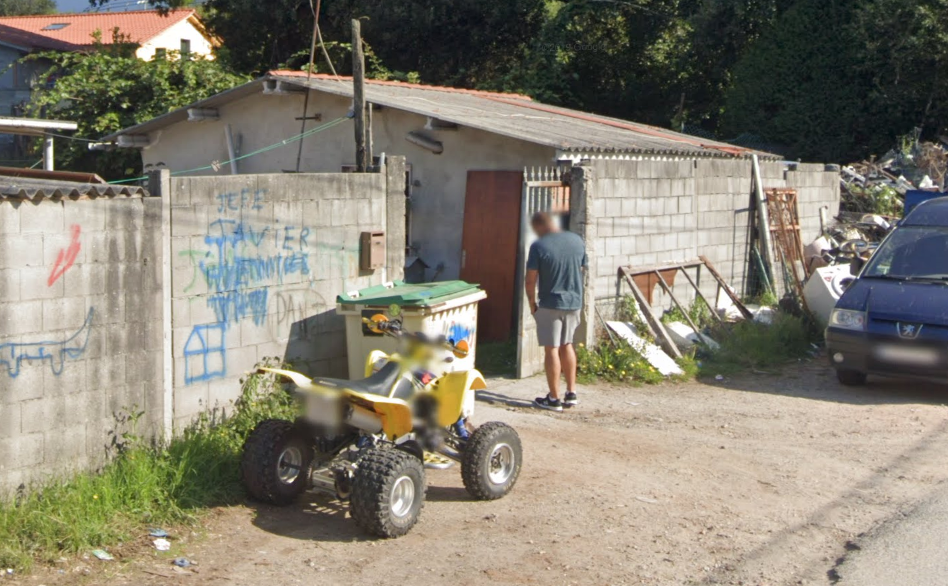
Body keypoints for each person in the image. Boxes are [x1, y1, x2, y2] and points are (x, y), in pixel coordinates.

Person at [525, 212, 587, 412]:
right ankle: (571, 392)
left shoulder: (538, 246)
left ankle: (553, 398)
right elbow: (582, 267)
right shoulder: (577, 240)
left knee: (551, 348)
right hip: (574, 302)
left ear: (539, 227)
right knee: (567, 344)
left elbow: (530, 279)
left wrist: (532, 302)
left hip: (550, 302)